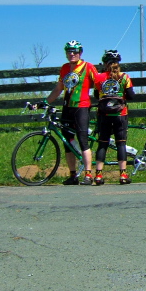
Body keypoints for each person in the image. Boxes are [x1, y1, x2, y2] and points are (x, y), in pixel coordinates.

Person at [47, 40, 99, 185]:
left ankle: (88, 174)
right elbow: (58, 89)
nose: (72, 54)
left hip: (81, 107)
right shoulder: (64, 68)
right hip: (67, 108)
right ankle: (73, 175)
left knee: (83, 139)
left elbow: (99, 83)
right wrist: (46, 102)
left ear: (80, 53)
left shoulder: (88, 67)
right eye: (69, 51)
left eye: (75, 51)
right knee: (67, 142)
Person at [92, 49, 135, 185]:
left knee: (103, 143)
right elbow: (131, 95)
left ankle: (98, 175)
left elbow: (95, 95)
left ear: (105, 63)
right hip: (120, 114)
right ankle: (123, 174)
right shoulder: (124, 77)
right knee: (121, 143)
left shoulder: (98, 78)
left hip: (104, 114)